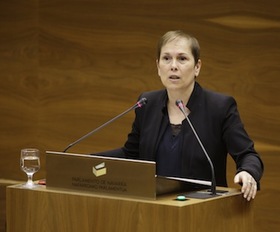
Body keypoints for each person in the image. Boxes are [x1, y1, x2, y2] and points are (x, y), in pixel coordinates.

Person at [97, 30, 264, 201]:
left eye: (182, 59)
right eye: (166, 58)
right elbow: (131, 154)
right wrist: (89, 162)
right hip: (152, 208)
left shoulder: (219, 107)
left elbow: (248, 155)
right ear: (158, 67)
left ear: (197, 67)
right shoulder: (147, 104)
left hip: (201, 210)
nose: (173, 66)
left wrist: (248, 171)